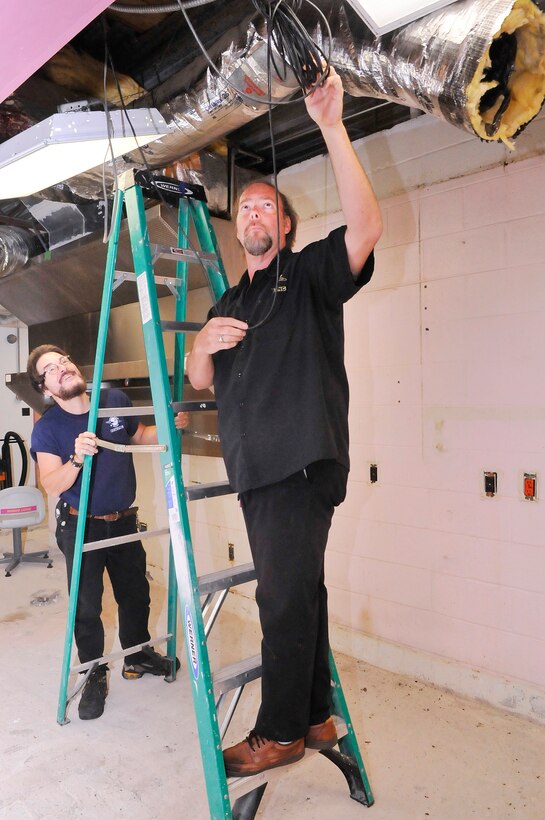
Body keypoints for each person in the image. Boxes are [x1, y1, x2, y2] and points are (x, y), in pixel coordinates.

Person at [186, 66, 383, 776]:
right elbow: (198, 379)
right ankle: (317, 715)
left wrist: (332, 124)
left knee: (279, 600)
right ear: (236, 227)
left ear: (286, 225)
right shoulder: (226, 303)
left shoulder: (305, 277)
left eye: (267, 208)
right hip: (259, 474)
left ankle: (278, 733)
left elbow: (366, 226)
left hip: (298, 463)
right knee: (301, 592)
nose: (254, 215)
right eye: (245, 210)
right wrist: (199, 344)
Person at [27, 344, 189, 721]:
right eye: (51, 369)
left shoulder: (112, 398)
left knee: (136, 593)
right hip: (80, 524)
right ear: (45, 388)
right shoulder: (47, 429)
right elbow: (51, 483)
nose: (63, 367)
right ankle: (94, 672)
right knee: (86, 606)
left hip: (124, 519)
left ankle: (136, 654)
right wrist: (77, 458)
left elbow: (141, 435)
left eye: (64, 360)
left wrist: (168, 424)